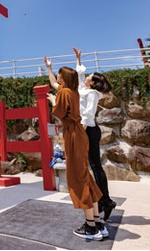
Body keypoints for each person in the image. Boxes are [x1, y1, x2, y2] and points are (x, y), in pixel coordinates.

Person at [44, 58, 107, 241]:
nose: (57, 77)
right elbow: (55, 84)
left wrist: (52, 100)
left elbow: (59, 111)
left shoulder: (64, 93)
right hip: (79, 134)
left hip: (73, 135)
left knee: (78, 178)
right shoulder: (73, 91)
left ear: (64, 79)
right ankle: (97, 222)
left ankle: (90, 227)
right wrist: (49, 68)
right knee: (85, 176)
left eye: (59, 75)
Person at [72, 47, 117, 221]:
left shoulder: (92, 94)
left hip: (89, 129)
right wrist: (78, 58)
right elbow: (79, 74)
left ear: (92, 83)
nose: (87, 77)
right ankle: (104, 200)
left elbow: (88, 113)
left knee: (95, 165)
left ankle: (106, 200)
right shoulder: (84, 90)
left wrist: (80, 131)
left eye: (89, 77)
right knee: (92, 165)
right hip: (87, 129)